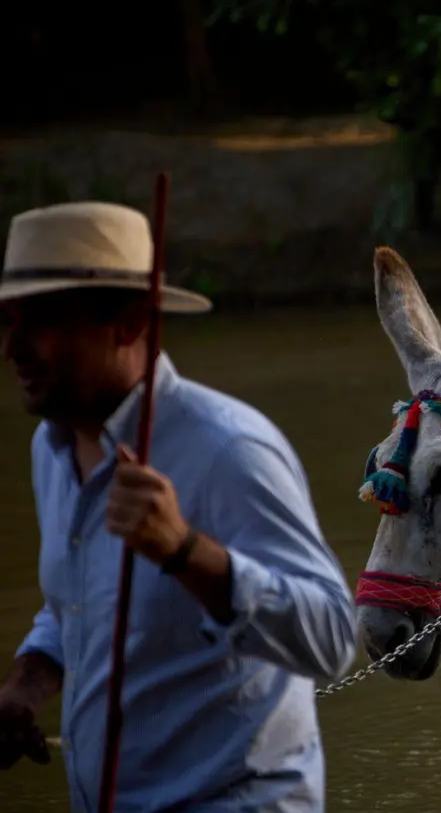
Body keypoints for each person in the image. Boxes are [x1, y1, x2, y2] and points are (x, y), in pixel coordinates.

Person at [0, 202, 357, 810]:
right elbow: (79, 600)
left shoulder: (229, 449)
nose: (14, 348)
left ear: (132, 322)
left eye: (44, 321)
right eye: (7, 322)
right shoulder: (52, 446)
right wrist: (28, 684)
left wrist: (187, 552)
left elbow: (331, 639)